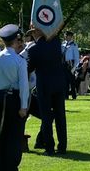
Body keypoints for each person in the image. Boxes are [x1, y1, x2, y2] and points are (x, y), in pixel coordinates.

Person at [0, 24, 29, 171]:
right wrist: (23, 106)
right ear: (16, 41)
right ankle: (11, 166)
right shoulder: (19, 61)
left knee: (1, 135)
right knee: (15, 136)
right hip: (14, 100)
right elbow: (24, 85)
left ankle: (1, 165)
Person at [28, 27, 67, 156]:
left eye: (33, 32)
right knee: (60, 115)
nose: (32, 35)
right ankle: (62, 146)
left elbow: (29, 68)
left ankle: (49, 147)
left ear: (37, 32)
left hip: (44, 85)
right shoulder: (56, 42)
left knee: (46, 117)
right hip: (59, 83)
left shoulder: (33, 49)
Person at [61, 31, 79, 100]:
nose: (65, 36)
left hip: (70, 64)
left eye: (67, 35)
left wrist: (74, 68)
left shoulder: (74, 45)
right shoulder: (63, 44)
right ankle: (66, 95)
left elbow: (76, 57)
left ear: (70, 36)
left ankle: (74, 95)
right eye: (65, 35)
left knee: (72, 81)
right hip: (64, 64)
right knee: (65, 81)